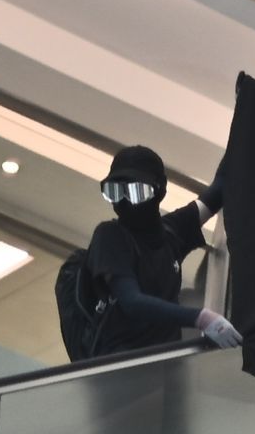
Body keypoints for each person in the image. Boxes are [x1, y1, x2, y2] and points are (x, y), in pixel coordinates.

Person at [87, 145, 242, 356]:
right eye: (114, 192)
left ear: (160, 191)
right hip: (120, 369)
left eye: (137, 192)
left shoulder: (171, 231)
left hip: (165, 366)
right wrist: (202, 318)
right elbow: (132, 301)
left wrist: (246, 126)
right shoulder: (110, 236)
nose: (124, 202)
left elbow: (219, 189)